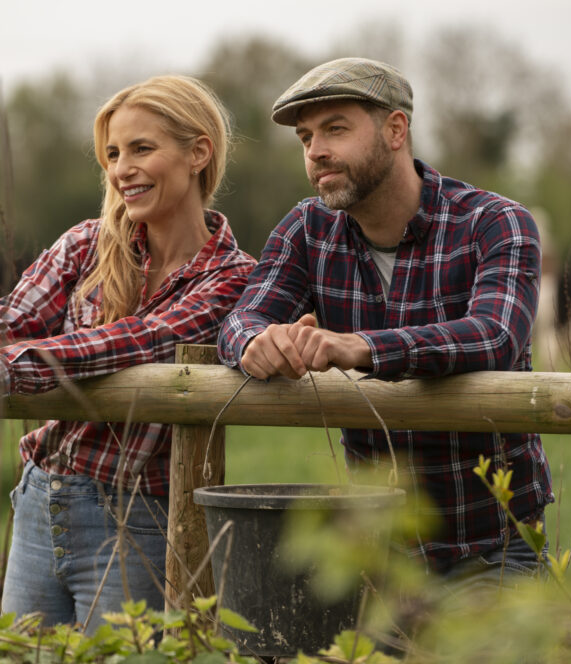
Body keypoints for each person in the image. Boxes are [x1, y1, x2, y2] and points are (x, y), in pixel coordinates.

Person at [0, 75, 256, 632]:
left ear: (199, 152)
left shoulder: (233, 278)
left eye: (141, 149)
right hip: (40, 497)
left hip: (137, 518)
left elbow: (136, 341)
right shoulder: (87, 244)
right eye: (112, 153)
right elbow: (9, 315)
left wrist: (12, 365)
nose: (120, 168)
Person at [217, 57, 553, 584]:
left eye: (335, 129)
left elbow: (495, 336)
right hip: (373, 557)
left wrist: (363, 348)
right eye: (305, 137)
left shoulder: (495, 223)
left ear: (395, 130)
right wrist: (260, 342)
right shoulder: (308, 228)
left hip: (493, 546)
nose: (315, 151)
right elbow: (241, 319)